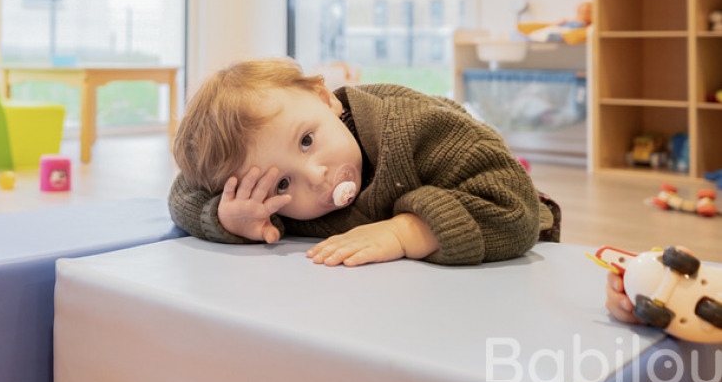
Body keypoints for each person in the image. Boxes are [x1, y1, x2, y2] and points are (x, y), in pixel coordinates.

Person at [168, 58, 560, 267]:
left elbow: (514, 210)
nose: (315, 175)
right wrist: (227, 219)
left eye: (306, 140)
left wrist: (405, 234)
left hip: (499, 216)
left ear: (326, 100)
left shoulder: (411, 127)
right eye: (282, 185)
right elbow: (186, 190)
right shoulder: (262, 186)